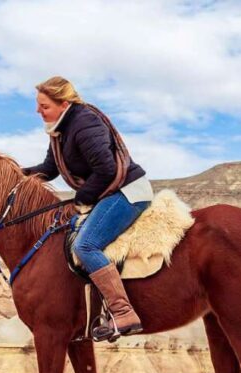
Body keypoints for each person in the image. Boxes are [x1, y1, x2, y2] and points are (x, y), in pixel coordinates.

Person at [22, 76, 154, 342]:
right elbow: (49, 169)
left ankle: (123, 311)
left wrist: (80, 199)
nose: (38, 111)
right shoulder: (59, 129)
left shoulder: (84, 123)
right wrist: (17, 175)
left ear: (63, 103)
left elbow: (106, 169)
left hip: (126, 193)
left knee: (86, 246)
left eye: (44, 106)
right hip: (107, 193)